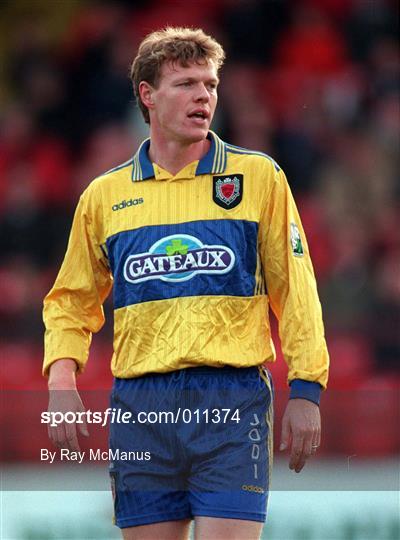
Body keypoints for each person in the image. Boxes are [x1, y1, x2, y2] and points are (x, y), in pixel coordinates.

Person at [43, 27, 329, 540]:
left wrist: (307, 387)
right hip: (140, 405)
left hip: (231, 401)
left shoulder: (256, 178)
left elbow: (296, 287)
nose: (204, 95)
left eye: (211, 84)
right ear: (147, 96)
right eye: (187, 84)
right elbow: (71, 300)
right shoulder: (104, 196)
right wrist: (61, 379)